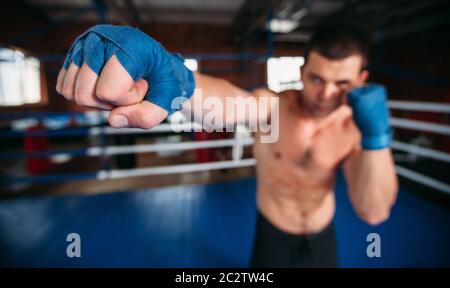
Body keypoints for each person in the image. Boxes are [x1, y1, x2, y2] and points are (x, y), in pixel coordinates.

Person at [56, 24, 398, 267]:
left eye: (342, 83)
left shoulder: (356, 129)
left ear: (361, 81)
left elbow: (374, 210)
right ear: (303, 69)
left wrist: (376, 138)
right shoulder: (274, 109)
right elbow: (229, 101)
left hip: (323, 237)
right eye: (317, 79)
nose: (326, 95)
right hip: (272, 235)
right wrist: (173, 73)